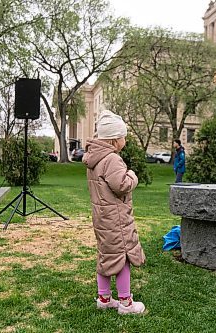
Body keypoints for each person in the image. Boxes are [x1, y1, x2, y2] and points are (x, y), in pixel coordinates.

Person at [82, 109, 146, 315]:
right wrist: (132, 176)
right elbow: (121, 185)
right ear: (114, 140)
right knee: (122, 257)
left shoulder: (94, 159)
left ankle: (104, 298)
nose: (125, 140)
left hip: (102, 217)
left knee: (106, 255)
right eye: (123, 137)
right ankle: (126, 303)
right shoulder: (112, 160)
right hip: (116, 219)